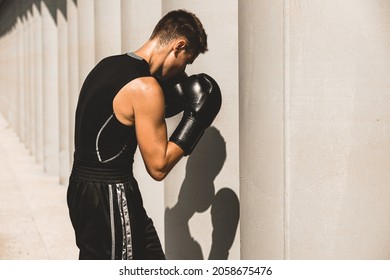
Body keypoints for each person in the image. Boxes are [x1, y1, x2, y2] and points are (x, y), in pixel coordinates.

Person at [66, 9, 222, 260]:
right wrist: (196, 121)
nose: (183, 72)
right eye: (187, 61)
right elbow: (158, 167)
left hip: (84, 188)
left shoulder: (107, 65)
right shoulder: (145, 88)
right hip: (111, 195)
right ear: (178, 46)